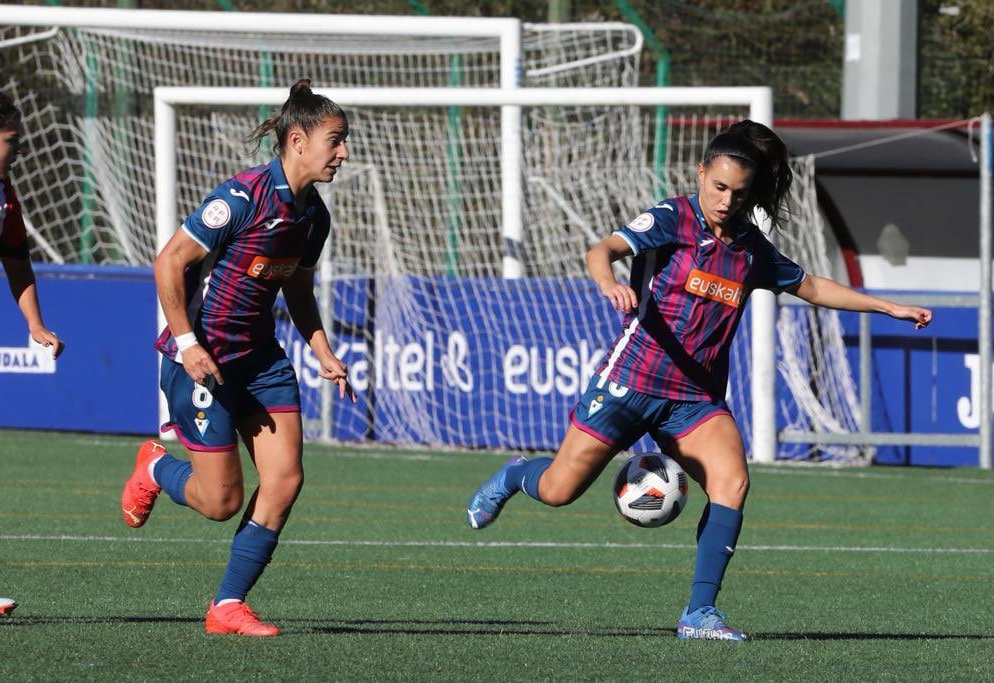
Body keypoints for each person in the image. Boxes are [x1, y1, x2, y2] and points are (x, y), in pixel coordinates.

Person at [466, 120, 933, 641]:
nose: (727, 200)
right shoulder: (673, 217)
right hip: (631, 381)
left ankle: (699, 614)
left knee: (733, 482)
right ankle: (512, 476)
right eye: (719, 186)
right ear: (701, 173)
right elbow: (601, 251)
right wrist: (608, 283)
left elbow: (812, 285)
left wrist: (886, 305)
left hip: (695, 400)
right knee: (557, 490)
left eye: (738, 192)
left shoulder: (752, 250)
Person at [120, 80, 354, 637]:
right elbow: (168, 262)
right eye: (336, 140)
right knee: (220, 500)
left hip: (261, 360)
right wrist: (186, 342)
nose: (344, 152)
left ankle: (228, 605)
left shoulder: (313, 218)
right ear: (297, 140)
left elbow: (297, 290)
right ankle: (154, 467)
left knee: (285, 479)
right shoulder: (243, 196)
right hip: (202, 359)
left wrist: (323, 350)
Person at [0, 87, 65, 619]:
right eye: (12, 141)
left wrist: (35, 323)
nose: (19, 150)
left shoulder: (1, 197)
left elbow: (16, 259)